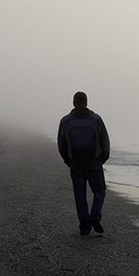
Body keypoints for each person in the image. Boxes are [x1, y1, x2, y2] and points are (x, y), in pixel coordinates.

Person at [58, 91, 110, 235]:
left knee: (80, 195)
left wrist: (68, 161)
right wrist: (102, 159)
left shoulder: (65, 122)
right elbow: (105, 141)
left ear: (73, 103)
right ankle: (94, 216)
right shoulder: (96, 119)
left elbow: (61, 145)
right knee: (99, 191)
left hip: (76, 163)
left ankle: (85, 227)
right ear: (86, 102)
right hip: (94, 162)